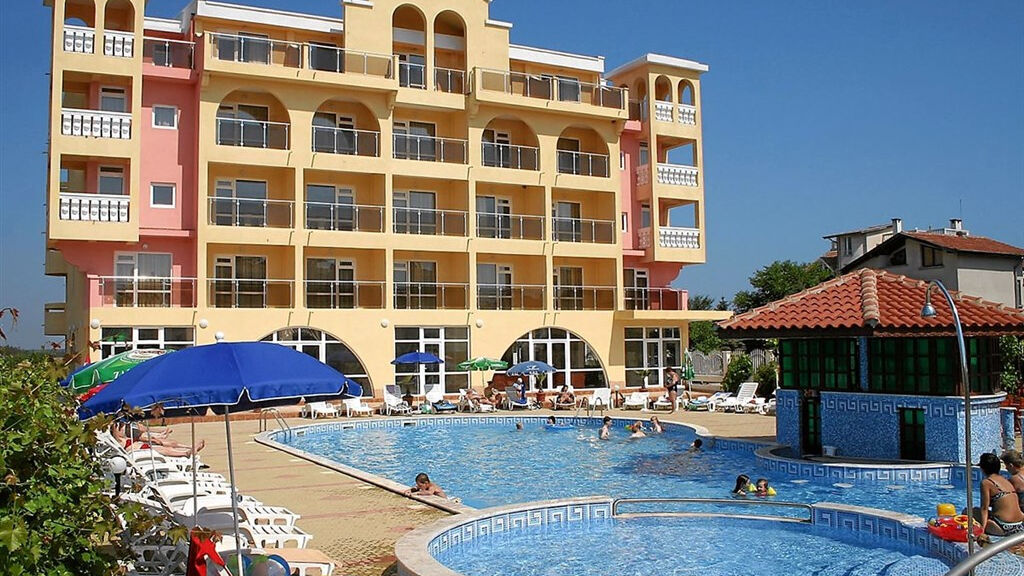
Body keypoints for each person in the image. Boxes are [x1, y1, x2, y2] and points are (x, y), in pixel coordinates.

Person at [978, 453, 1024, 536]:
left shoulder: (986, 482)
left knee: (970, 513)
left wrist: (982, 531)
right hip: (1020, 525)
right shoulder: (1006, 480)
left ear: (982, 468)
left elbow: (984, 508)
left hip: (1005, 527)